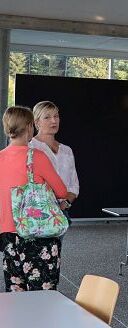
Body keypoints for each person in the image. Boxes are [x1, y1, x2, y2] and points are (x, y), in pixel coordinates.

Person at [0, 106, 68, 292]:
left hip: (8, 236)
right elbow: (61, 191)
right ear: (30, 126)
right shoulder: (36, 157)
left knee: (15, 292)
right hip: (37, 233)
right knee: (43, 293)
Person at [29, 101, 79, 222]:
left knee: (58, 242)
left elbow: (74, 185)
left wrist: (65, 204)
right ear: (37, 122)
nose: (54, 121)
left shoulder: (67, 150)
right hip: (37, 213)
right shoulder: (30, 148)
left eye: (56, 116)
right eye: (47, 117)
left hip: (62, 212)